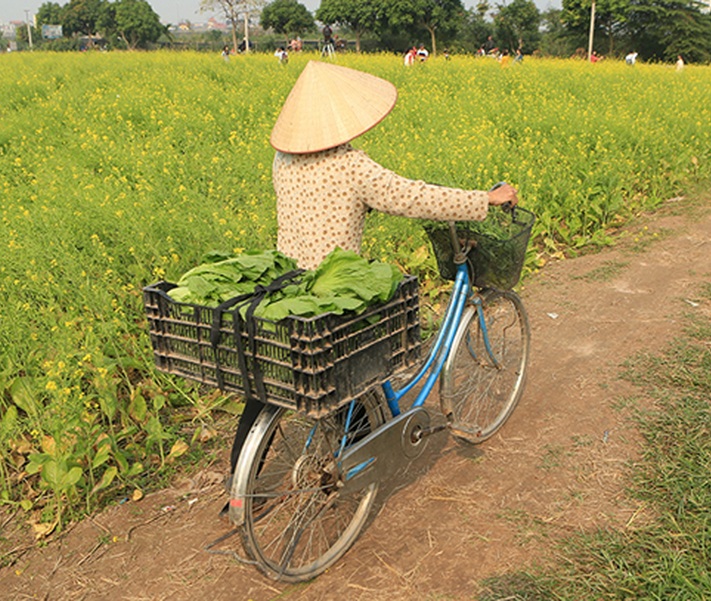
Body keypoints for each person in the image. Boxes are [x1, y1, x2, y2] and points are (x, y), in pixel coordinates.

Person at [221, 62, 520, 492]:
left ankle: (239, 485)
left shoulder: (282, 160)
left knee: (273, 382)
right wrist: (484, 199)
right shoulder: (351, 166)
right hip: (335, 291)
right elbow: (414, 196)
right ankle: (361, 462)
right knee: (356, 365)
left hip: (287, 289)